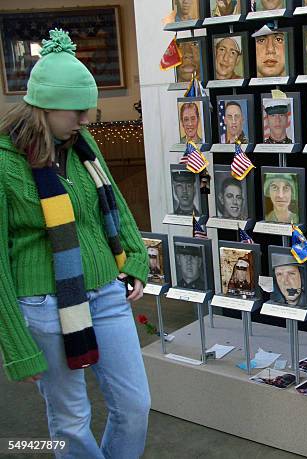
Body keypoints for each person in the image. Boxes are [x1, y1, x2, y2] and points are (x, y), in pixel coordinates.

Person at [0, 29, 149, 458]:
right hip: (44, 305)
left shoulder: (84, 145)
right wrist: (16, 345)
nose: (86, 118)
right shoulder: (6, 164)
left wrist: (135, 257)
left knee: (136, 405)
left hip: (105, 293)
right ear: (43, 107)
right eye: (77, 110)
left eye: (89, 109)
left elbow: (115, 206)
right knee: (70, 420)